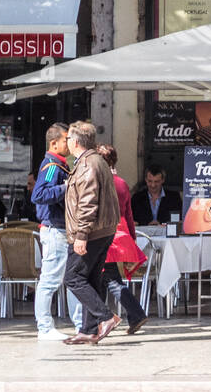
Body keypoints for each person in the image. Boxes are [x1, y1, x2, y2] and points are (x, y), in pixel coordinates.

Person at [61, 122, 122, 345]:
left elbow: (87, 202)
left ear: (75, 142)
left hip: (92, 231)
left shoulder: (87, 163)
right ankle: (88, 329)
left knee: (73, 277)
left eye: (68, 139)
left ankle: (106, 317)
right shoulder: (96, 160)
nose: (66, 142)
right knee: (90, 278)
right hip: (103, 229)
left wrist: (81, 235)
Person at [31, 124, 84, 340]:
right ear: (54, 143)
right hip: (55, 230)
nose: (69, 143)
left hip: (62, 230)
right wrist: (67, 187)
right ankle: (44, 327)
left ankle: (81, 324)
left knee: (72, 279)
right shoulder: (52, 165)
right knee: (50, 280)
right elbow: (39, 194)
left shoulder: (60, 165)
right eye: (65, 139)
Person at [98, 144, 149, 335]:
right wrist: (132, 241)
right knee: (104, 278)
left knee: (109, 278)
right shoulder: (121, 183)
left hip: (103, 234)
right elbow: (128, 214)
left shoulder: (98, 182)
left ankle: (135, 314)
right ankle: (102, 320)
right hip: (120, 234)